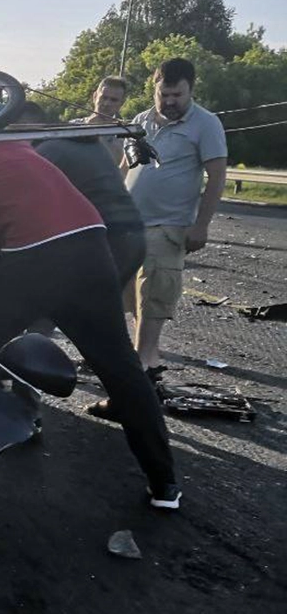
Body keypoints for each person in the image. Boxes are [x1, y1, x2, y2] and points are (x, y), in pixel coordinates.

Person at [0, 140, 181, 510]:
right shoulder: (14, 148)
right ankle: (165, 485)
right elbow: (14, 204)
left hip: (36, 262)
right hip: (92, 245)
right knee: (120, 365)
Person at [124, 58, 228, 376]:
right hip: (130, 224)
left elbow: (217, 176)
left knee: (155, 293)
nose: (169, 102)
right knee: (131, 296)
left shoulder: (206, 124)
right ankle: (145, 358)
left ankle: (141, 365)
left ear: (190, 90)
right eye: (163, 95)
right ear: (155, 89)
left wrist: (202, 225)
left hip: (168, 225)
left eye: (177, 96)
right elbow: (124, 169)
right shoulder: (141, 120)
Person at [16, 102, 146, 289]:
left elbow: (20, 208)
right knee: (98, 311)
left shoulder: (47, 152)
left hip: (110, 243)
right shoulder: (78, 140)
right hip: (133, 238)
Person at [75, 76, 131, 160]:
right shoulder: (73, 127)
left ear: (121, 103)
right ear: (95, 97)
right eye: (103, 97)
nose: (107, 103)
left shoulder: (126, 134)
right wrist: (87, 127)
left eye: (114, 100)